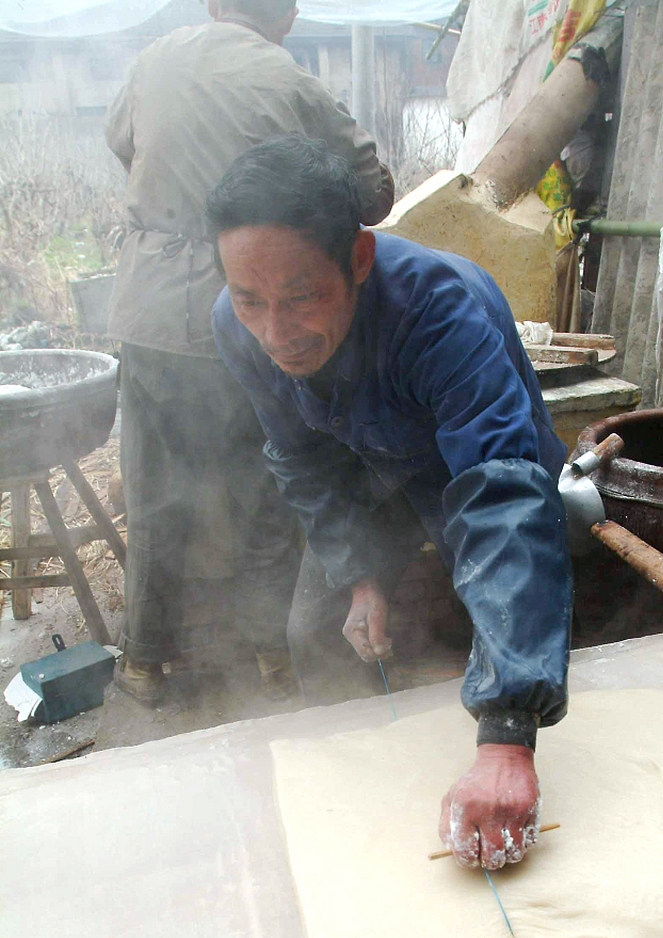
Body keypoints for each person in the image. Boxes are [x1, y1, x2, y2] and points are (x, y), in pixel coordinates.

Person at [207, 134, 573, 871]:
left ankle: (505, 760)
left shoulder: (443, 312)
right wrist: (360, 575)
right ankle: (367, 819)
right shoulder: (236, 326)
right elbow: (301, 458)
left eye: (302, 296)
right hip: (371, 472)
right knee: (317, 628)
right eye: (251, 301)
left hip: (480, 466)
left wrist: (506, 730)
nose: (276, 334)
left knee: (511, 610)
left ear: (359, 260)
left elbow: (500, 494)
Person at [104, 0, 394, 704]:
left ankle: (142, 660)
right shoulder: (291, 82)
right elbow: (374, 194)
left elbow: (120, 143)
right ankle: (268, 654)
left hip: (144, 310)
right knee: (268, 487)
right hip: (247, 312)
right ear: (288, 16)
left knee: (153, 488)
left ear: (212, 5)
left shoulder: (155, 58)